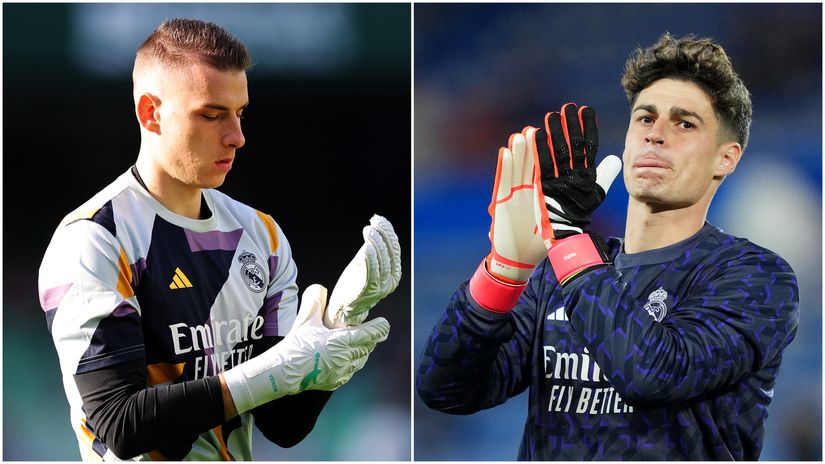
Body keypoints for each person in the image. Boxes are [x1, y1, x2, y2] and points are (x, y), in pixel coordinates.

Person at [417, 32, 799, 460]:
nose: (656, 135)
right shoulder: (557, 274)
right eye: (645, 118)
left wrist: (567, 240)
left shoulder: (756, 276)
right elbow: (445, 389)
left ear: (726, 158)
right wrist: (502, 273)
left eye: (684, 123)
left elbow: (651, 372)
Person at [38, 18, 400, 461]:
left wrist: (333, 336)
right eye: (211, 115)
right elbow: (120, 424)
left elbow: (282, 425)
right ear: (150, 112)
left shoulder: (262, 236)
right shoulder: (95, 239)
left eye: (239, 113)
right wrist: (277, 370)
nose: (237, 137)